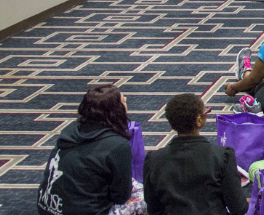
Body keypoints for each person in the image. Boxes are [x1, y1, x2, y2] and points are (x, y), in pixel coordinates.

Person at [37, 85, 135, 215]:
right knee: (146, 197)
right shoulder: (118, 145)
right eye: (123, 100)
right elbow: (121, 196)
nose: (126, 100)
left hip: (47, 207)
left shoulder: (70, 129)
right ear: (116, 110)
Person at [143, 94, 248, 215]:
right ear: (199, 120)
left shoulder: (153, 160)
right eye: (205, 112)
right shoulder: (222, 156)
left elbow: (153, 208)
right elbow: (238, 208)